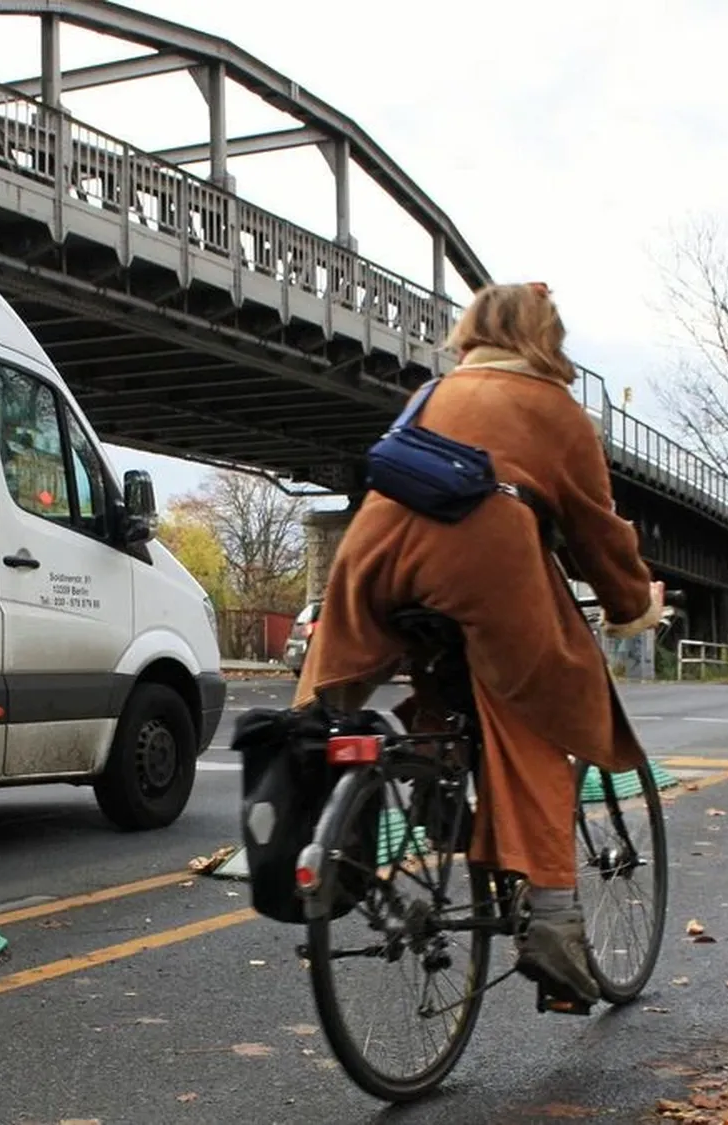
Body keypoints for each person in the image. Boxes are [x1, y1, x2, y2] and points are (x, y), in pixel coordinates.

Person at [293, 282, 664, 1007]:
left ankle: (388, 795)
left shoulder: (432, 393)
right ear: (545, 338)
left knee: (357, 697)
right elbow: (596, 531)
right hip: (481, 558)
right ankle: (553, 922)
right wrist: (632, 604)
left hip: (372, 555)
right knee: (538, 715)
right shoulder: (556, 409)